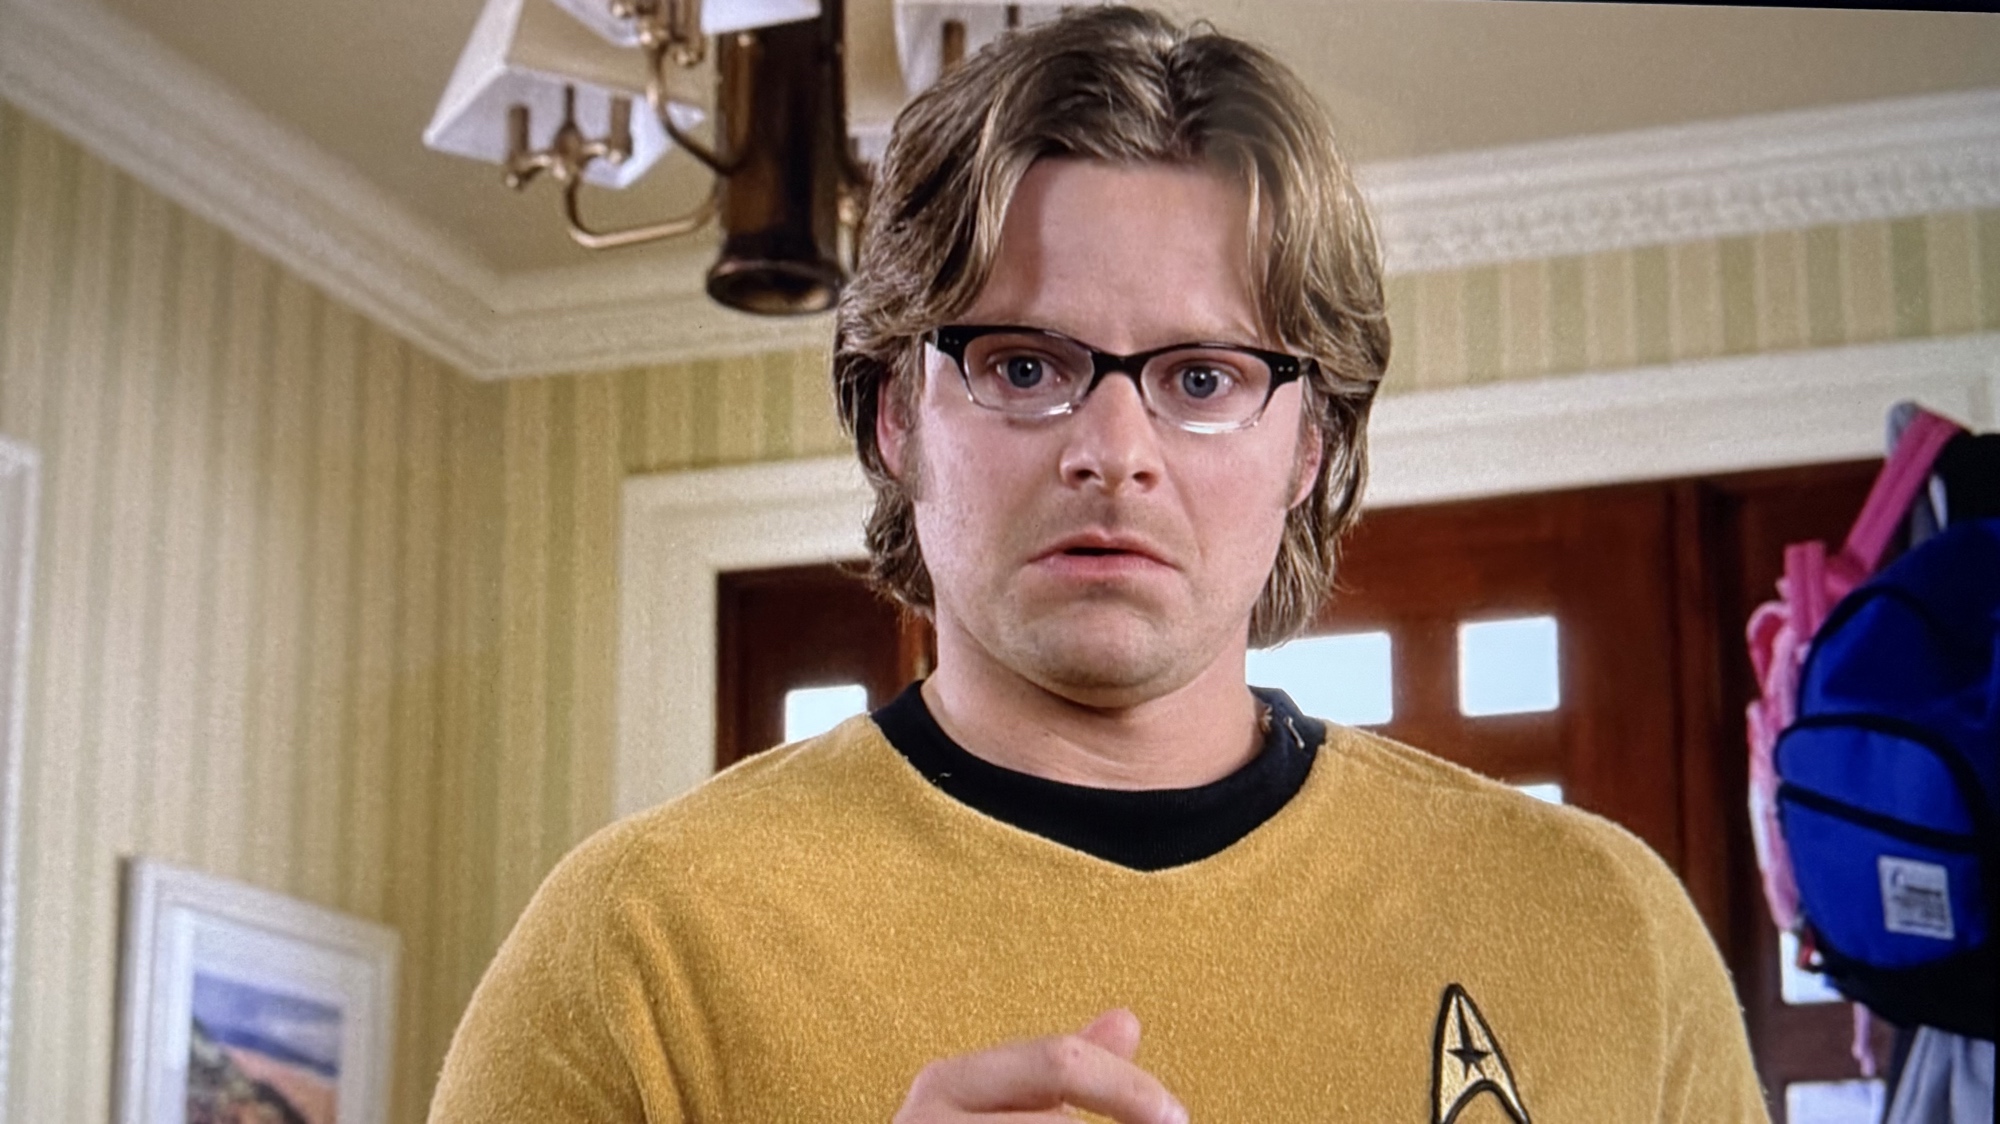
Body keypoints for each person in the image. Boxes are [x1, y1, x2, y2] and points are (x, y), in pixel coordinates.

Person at [428, 7, 1769, 1122]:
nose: (1113, 452)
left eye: (1204, 376)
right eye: (1024, 366)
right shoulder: (633, 945)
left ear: (1309, 445)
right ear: (895, 416)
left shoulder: (1607, 928)